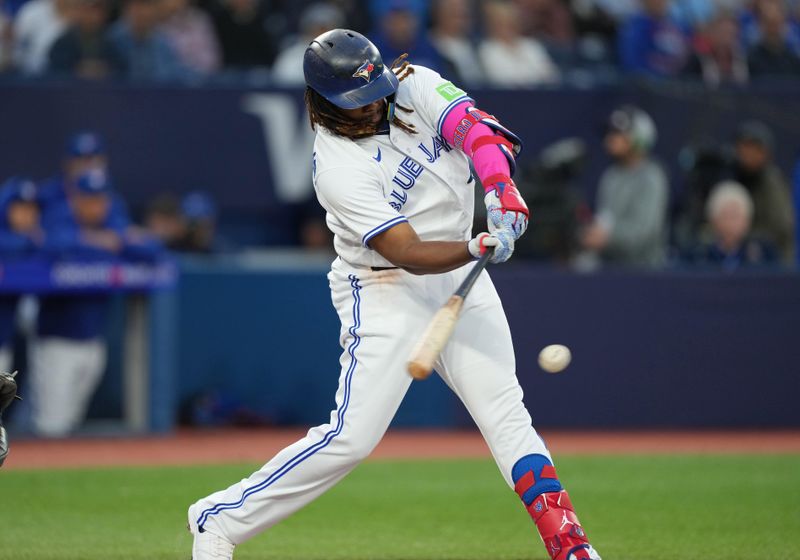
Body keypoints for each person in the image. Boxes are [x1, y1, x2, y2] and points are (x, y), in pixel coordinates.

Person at [187, 29, 602, 560]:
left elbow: (477, 131)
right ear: (321, 103)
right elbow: (404, 249)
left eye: (375, 90)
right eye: (355, 102)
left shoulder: (416, 85)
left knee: (506, 413)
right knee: (351, 437)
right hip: (384, 286)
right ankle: (218, 519)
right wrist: (477, 242)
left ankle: (570, 546)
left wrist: (501, 188)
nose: (374, 106)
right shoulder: (336, 166)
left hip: (457, 274)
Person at [33, 170, 155, 436]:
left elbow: (151, 249)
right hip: (56, 340)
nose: (96, 206)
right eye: (89, 199)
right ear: (76, 199)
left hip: (93, 344)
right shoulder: (60, 218)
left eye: (100, 199)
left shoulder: (113, 222)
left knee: (71, 422)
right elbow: (48, 245)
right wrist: (100, 243)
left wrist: (118, 241)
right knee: (51, 425)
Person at [579, 106, 669, 269]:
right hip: (611, 265)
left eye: (618, 133)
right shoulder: (611, 175)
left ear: (639, 137)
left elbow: (644, 232)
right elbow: (606, 220)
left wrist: (607, 238)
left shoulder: (652, 177)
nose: (610, 139)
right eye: (610, 133)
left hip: (645, 269)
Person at [0, 178, 43, 375]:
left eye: (31, 209)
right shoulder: (25, 240)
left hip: (7, 340)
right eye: (19, 208)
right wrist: (30, 240)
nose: (27, 215)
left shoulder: (37, 241)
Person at [686, 181, 778, 270]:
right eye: (726, 215)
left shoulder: (764, 254)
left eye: (736, 216)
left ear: (747, 221)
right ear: (713, 220)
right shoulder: (697, 257)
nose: (731, 224)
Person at [478, 0, 561, 87]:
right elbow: (499, 79)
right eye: (502, 23)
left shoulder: (532, 45)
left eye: (511, 22)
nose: (507, 28)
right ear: (493, 25)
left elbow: (551, 76)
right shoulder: (488, 49)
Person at [108, 0, 189, 81]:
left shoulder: (162, 42)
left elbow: (174, 72)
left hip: (157, 92)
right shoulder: (113, 40)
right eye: (137, 7)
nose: (143, 13)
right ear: (127, 10)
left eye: (147, 7)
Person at [48, 0, 126, 79]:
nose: (92, 16)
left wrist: (103, 71)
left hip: (104, 90)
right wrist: (78, 70)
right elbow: (55, 73)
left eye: (96, 11)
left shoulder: (112, 42)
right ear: (79, 12)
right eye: (87, 11)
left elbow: (121, 71)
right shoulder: (63, 43)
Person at [271, 2, 345, 86]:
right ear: (307, 29)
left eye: (330, 29)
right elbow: (283, 91)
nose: (324, 34)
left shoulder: (347, 56)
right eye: (320, 28)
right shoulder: (292, 57)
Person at [617, 0, 690, 77]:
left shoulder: (680, 26)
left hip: (681, 81)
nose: (659, 2)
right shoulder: (635, 28)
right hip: (649, 83)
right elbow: (633, 67)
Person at [684, 10, 749, 86]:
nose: (726, 39)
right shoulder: (696, 61)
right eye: (722, 33)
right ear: (711, 33)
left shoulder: (745, 60)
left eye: (731, 34)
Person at [428, 0, 485, 86]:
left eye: (464, 15)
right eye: (455, 14)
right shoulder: (430, 43)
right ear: (439, 14)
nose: (460, 20)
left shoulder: (476, 43)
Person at [159, 0, 221, 76]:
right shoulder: (155, 24)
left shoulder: (201, 19)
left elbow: (211, 59)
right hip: (168, 82)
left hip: (204, 80)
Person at [13, 0, 75, 74]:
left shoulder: (85, 11)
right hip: (31, 75)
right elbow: (16, 45)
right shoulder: (33, 11)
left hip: (71, 75)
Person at [748, 0, 800, 78]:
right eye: (769, 24)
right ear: (761, 25)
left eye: (776, 24)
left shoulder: (793, 59)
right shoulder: (752, 58)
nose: (773, 30)